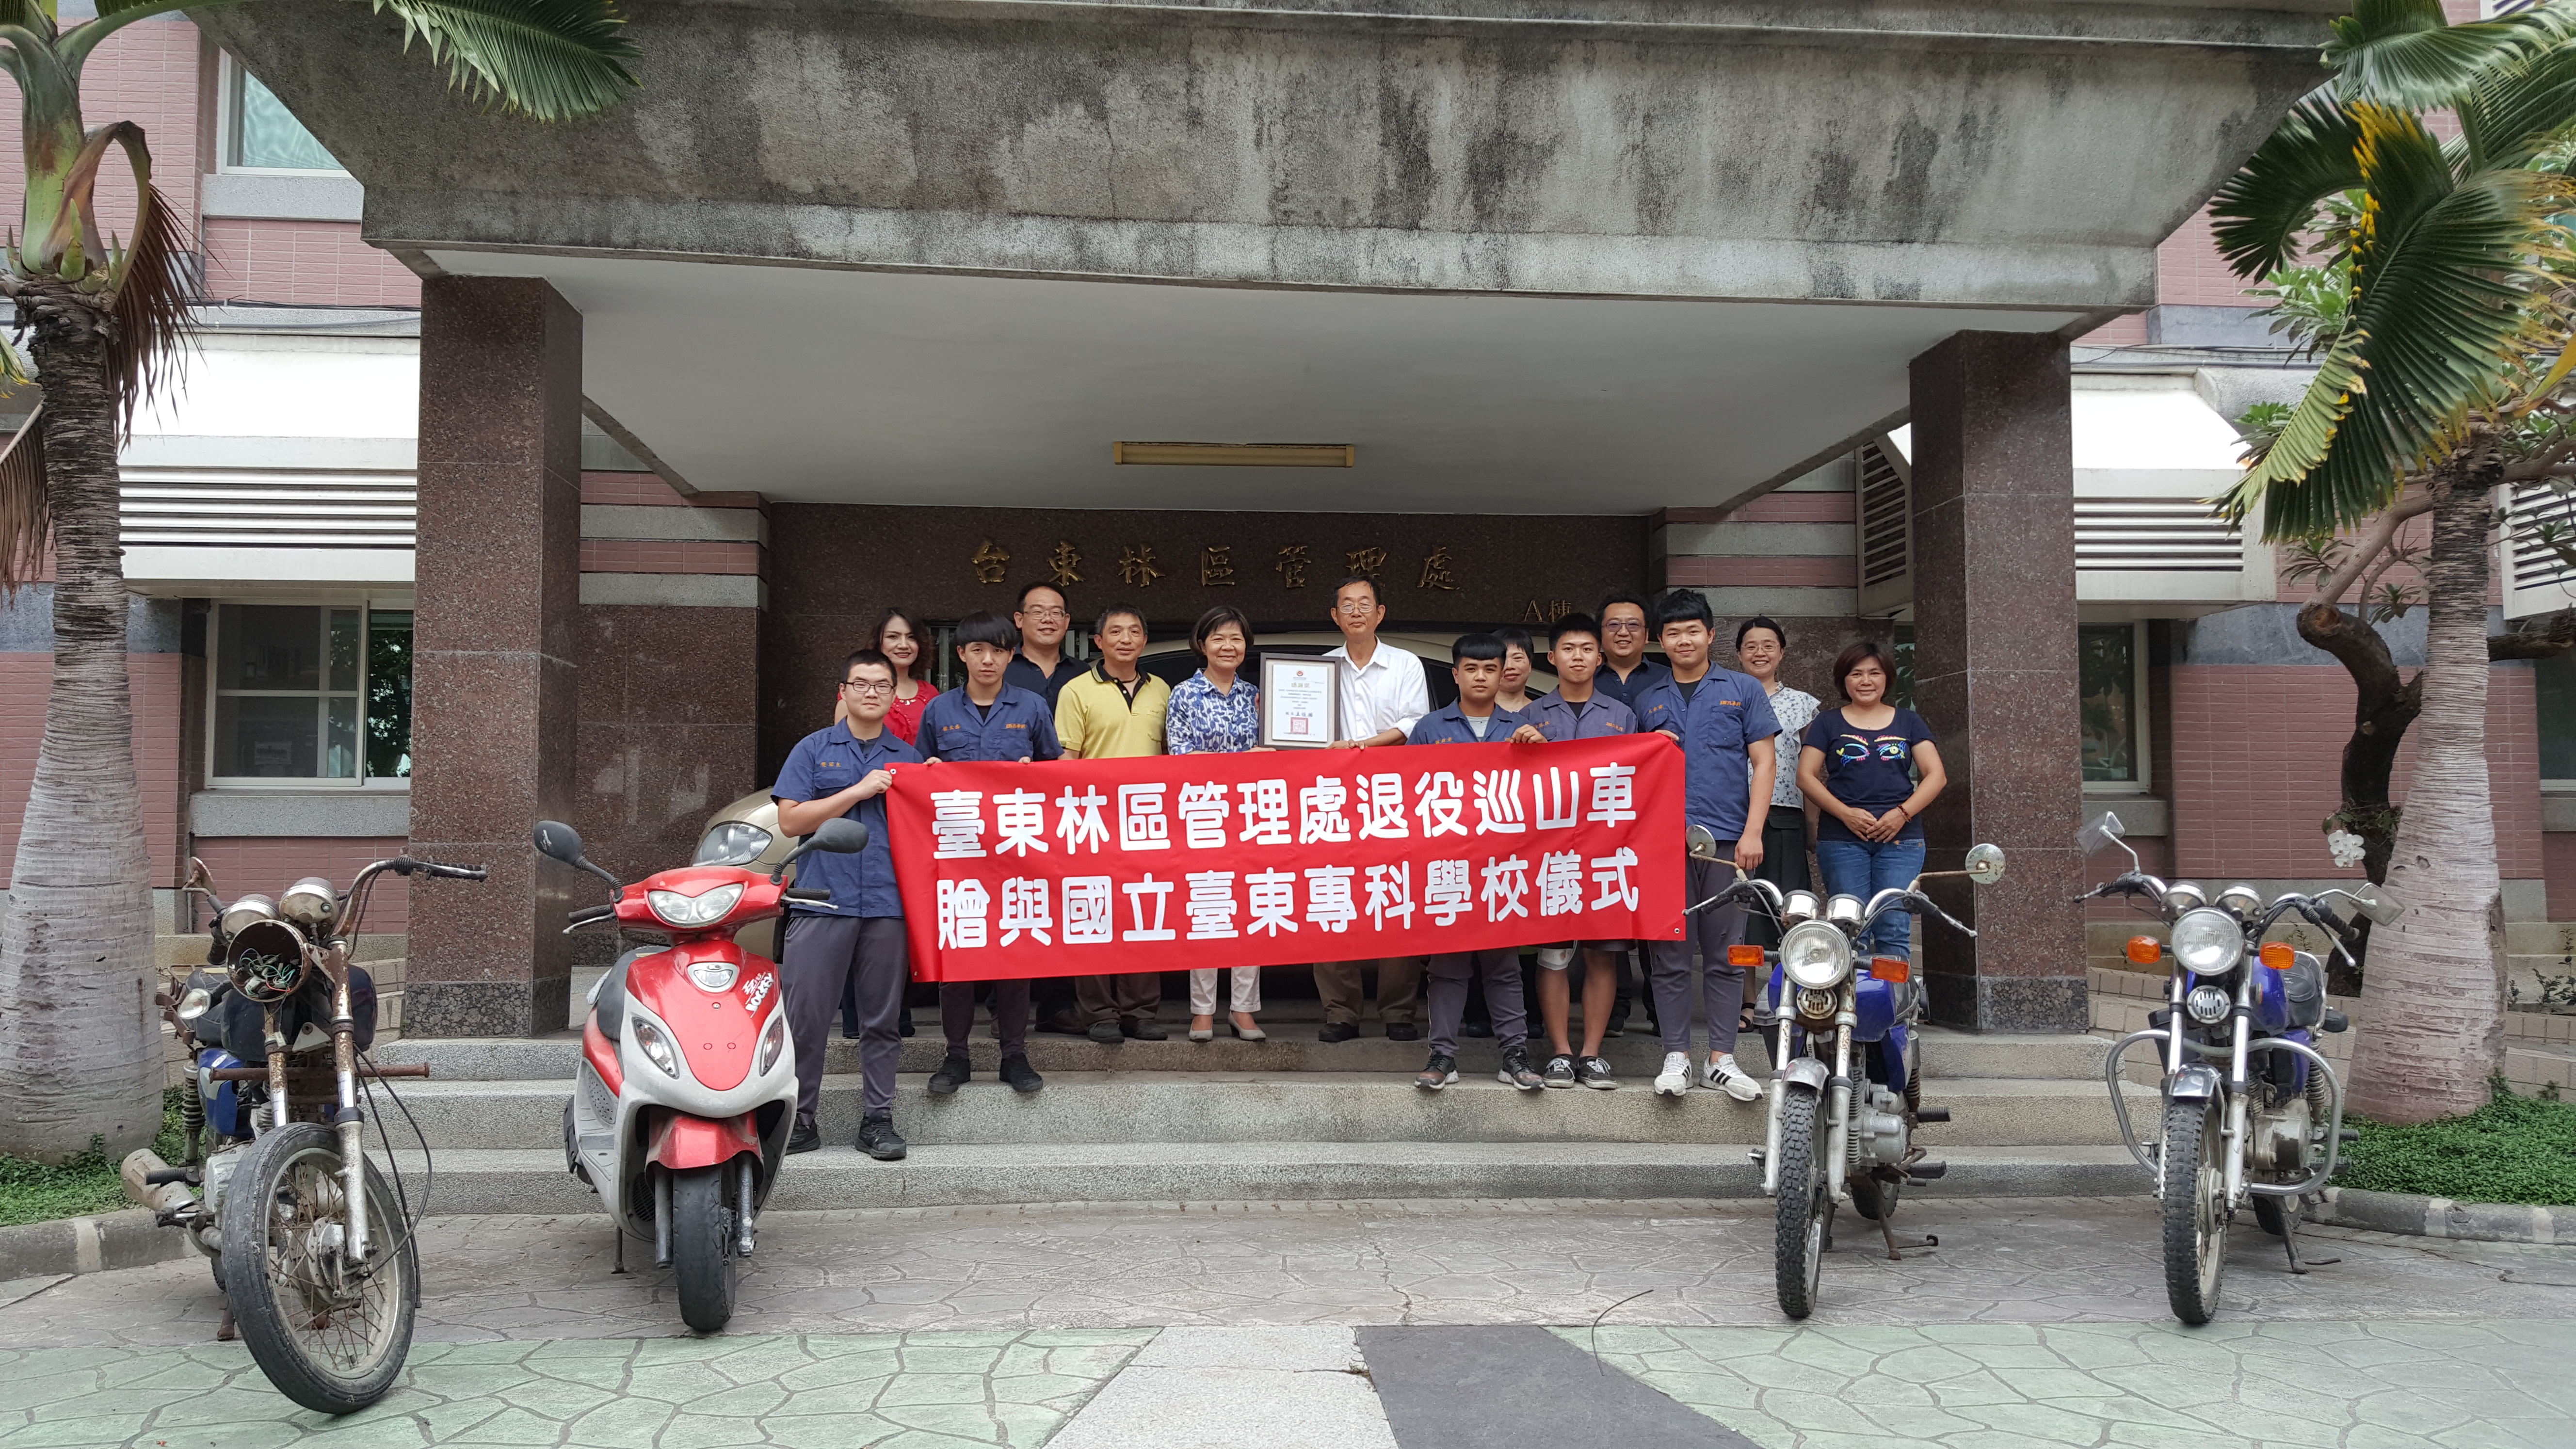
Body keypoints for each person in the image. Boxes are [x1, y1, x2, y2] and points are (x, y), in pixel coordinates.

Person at [771, 649, 921, 1160]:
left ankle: (877, 1121)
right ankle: (799, 1120)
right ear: (843, 691)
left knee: (881, 1020)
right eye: (861, 684)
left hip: (886, 904)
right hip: (822, 902)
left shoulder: (909, 758)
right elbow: (791, 821)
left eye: (882, 685)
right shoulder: (812, 750)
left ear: (893, 694)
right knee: (807, 1018)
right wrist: (857, 791)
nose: (871, 692)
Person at [1633, 590, 1776, 1101]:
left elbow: (1764, 762)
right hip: (1663, 846)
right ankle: (1676, 1055)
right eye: (1673, 633)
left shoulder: (1743, 690)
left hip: (1727, 842)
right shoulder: (1647, 699)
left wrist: (1753, 832)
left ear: (1711, 635)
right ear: (1660, 640)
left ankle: (1721, 1058)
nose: (1684, 640)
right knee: (1670, 956)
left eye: (1693, 631)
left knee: (1725, 955)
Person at [914, 612, 1059, 1097]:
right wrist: (929, 772)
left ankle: (1014, 1055)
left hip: (1017, 856)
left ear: (1010, 655)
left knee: (1014, 957)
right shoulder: (938, 711)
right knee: (957, 957)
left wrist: (1035, 774)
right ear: (961, 655)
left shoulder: (1032, 706)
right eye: (977, 650)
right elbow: (916, 774)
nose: (988, 659)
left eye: (998, 650)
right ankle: (956, 1055)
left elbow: (1056, 775)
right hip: (958, 858)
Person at [1507, 613, 1640, 1088]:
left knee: (1602, 955)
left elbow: (1639, 778)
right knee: (1554, 955)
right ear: (1552, 658)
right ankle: (1561, 1053)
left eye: (1586, 649)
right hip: (1552, 855)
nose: (1577, 657)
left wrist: (1657, 747)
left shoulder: (1623, 716)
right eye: (1568, 649)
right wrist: (1524, 747)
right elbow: (1516, 788)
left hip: (1607, 852)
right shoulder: (1530, 716)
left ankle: (1592, 1054)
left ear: (1599, 658)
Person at [1407, 635, 1545, 1091]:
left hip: (1504, 866)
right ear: (1455, 674)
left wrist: (1541, 750)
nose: (1481, 677)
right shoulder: (1430, 728)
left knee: (1504, 965)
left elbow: (1549, 794)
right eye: (1471, 668)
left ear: (1503, 672)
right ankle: (1442, 1056)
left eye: (1490, 669)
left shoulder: (1522, 728)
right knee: (1447, 965)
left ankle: (1515, 1056)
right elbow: (1406, 796)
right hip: (1447, 865)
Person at [1317, 576, 1431, 1043]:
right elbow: (1302, 734)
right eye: (1347, 605)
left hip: (1393, 799)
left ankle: (1398, 1011)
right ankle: (1340, 1012)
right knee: (1331, 896)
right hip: (1330, 799)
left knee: (1395, 897)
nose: (1357, 612)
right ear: (1335, 616)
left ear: (1381, 613)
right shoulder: (1320, 670)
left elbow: (1414, 724)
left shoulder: (1406, 664)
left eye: (1365, 604)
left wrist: (1359, 746)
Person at [1054, 603, 1175, 1043]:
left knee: (1144, 912)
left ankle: (1139, 1012)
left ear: (1145, 640)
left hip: (1147, 820)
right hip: (1093, 819)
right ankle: (1099, 1013)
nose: (1126, 639)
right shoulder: (1076, 690)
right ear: (1098, 641)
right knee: (1093, 914)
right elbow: (1066, 758)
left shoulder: (1163, 690)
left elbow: (1174, 756)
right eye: (1116, 632)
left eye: (1135, 632)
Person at [1799, 640, 1947, 966]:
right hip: (1842, 839)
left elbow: (1936, 776)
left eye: (1874, 673)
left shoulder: (1909, 721)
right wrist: (1846, 814)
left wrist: (1902, 814)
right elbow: (1806, 777)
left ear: (1887, 678)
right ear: (1844, 680)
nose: (1865, 681)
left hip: (1901, 840)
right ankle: (1853, 999)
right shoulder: (1827, 722)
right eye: (1856, 674)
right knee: (1851, 929)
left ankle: (1893, 1000)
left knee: (1893, 926)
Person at [1165, 605, 1267, 1043]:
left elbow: (1278, 752)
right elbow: (1179, 755)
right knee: (1208, 907)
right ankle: (1203, 1011)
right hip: (1203, 816)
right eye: (1219, 638)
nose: (1229, 646)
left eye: (1236, 639)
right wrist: (1243, 761)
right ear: (1202, 644)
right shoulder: (1184, 694)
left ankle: (1243, 1009)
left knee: (1250, 907)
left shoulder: (1258, 695)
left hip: (1253, 817)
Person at [1736, 617, 1821, 975]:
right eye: (1751, 646)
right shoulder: (1726, 698)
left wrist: (1812, 825)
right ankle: (1746, 998)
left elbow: (1811, 771)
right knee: (1742, 911)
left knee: (1789, 911)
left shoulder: (1803, 705)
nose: (1760, 653)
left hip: (1785, 818)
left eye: (1768, 646)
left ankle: (1784, 990)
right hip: (1733, 815)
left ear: (1782, 652)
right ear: (1738, 653)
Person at [1005, 581, 1088, 707]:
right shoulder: (1000, 668)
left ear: (1066, 622)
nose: (1048, 619)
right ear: (1020, 620)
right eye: (1038, 612)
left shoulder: (1082, 672)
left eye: (1056, 613)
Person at [1593, 590, 1672, 713]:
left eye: (1633, 625)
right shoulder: (1586, 679)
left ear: (1646, 635)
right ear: (1600, 634)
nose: (1623, 632)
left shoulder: (1669, 678)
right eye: (1614, 625)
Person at [1494, 626, 1538, 714]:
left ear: (1530, 665)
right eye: (1503, 660)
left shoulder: (1544, 714)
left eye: (1517, 658)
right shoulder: (1474, 713)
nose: (1509, 666)